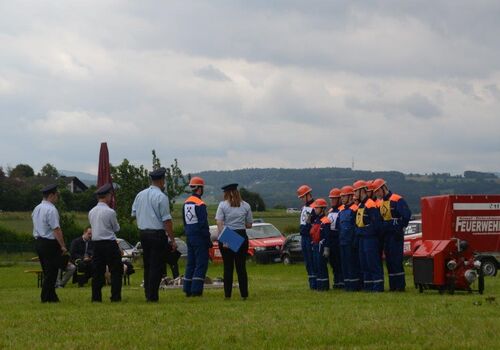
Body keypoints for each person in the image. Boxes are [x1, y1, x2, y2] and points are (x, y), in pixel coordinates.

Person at [131, 167, 177, 302]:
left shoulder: (140, 195)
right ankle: (152, 296)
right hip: (157, 234)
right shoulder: (161, 197)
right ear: (162, 181)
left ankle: (147, 293)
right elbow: (166, 220)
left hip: (143, 233)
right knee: (156, 266)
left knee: (148, 265)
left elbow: (133, 213)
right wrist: (172, 239)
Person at [373, 178, 412, 292]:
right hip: (386, 236)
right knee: (389, 262)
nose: (376, 194)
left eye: (377, 191)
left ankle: (400, 286)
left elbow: (406, 215)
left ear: (383, 188)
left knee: (396, 261)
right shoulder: (380, 202)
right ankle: (393, 286)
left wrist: (400, 227)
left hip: (395, 236)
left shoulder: (397, 199)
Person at [215, 183, 253, 299]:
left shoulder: (222, 205)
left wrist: (226, 238)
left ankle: (227, 295)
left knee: (228, 267)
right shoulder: (246, 205)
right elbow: (249, 224)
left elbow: (219, 223)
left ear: (226, 193)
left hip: (227, 234)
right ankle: (244, 294)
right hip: (241, 235)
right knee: (241, 267)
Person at [32, 184, 67, 303]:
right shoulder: (51, 209)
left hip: (39, 241)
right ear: (51, 195)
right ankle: (45, 297)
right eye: (57, 195)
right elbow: (56, 229)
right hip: (49, 243)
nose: (58, 197)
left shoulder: (37, 208)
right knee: (52, 272)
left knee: (48, 271)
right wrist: (62, 245)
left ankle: (52, 297)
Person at [89, 183, 122, 302]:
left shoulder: (91, 211)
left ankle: (96, 297)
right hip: (109, 243)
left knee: (97, 271)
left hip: (96, 244)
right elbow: (116, 228)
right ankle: (115, 296)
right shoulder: (110, 212)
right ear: (107, 196)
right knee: (116, 270)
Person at [353, 180, 384, 292]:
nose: (355, 194)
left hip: (370, 239)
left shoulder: (370, 204)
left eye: (356, 191)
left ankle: (378, 287)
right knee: (364, 264)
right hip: (362, 239)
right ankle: (368, 287)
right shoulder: (360, 205)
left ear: (362, 191)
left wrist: (363, 231)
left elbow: (376, 225)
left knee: (373, 263)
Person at [183, 176, 211, 297]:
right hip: (199, 237)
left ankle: (187, 288)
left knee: (191, 263)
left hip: (189, 236)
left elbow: (185, 221)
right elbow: (203, 224)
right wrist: (207, 240)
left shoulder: (185, 203)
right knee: (201, 263)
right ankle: (196, 290)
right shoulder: (200, 204)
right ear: (200, 188)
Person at [337, 186, 361, 291]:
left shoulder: (355, 209)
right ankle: (347, 285)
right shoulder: (341, 210)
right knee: (345, 265)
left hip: (351, 242)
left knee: (352, 265)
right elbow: (339, 226)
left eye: (344, 196)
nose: (342, 198)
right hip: (343, 241)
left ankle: (354, 286)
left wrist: (354, 241)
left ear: (350, 196)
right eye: (341, 196)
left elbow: (357, 226)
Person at [296, 185, 317, 290]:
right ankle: (311, 283)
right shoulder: (304, 208)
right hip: (303, 237)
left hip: (310, 237)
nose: (302, 199)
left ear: (308, 194)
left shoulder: (314, 207)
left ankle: (316, 283)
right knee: (307, 261)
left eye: (303, 197)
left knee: (312, 260)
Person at [310, 198, 332, 291]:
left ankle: (324, 286)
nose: (315, 210)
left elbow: (327, 236)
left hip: (321, 246)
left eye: (317, 208)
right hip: (315, 245)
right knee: (317, 266)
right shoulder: (316, 221)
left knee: (322, 266)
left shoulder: (325, 221)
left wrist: (326, 248)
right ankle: (319, 286)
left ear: (322, 209)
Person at [327, 188, 344, 289]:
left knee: (339, 262)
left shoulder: (342, 210)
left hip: (338, 238)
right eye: (331, 199)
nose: (332, 201)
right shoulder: (330, 211)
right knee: (333, 262)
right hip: (331, 239)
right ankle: (336, 281)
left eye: (334, 199)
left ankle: (341, 281)